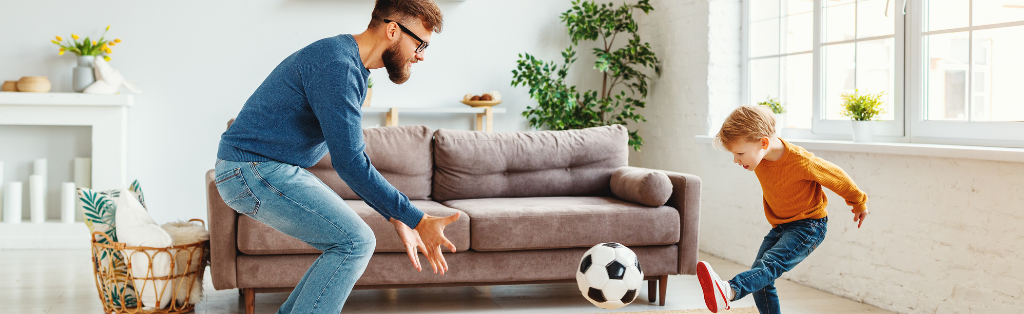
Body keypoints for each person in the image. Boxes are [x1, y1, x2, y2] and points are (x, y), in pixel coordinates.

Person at [213, 1, 457, 313]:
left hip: (262, 168)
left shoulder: (350, 65)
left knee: (353, 242)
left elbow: (351, 156)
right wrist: (416, 218)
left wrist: (395, 216)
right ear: (393, 30)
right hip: (251, 169)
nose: (421, 54)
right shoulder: (338, 67)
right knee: (355, 242)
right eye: (420, 43)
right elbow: (350, 162)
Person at [697, 105, 869, 313]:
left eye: (740, 153)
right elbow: (760, 116)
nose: (736, 160)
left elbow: (837, 177)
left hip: (809, 227)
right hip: (781, 226)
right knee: (761, 279)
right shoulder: (759, 157)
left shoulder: (801, 161)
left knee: (769, 266)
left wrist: (858, 203)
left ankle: (729, 290)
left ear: (764, 142)